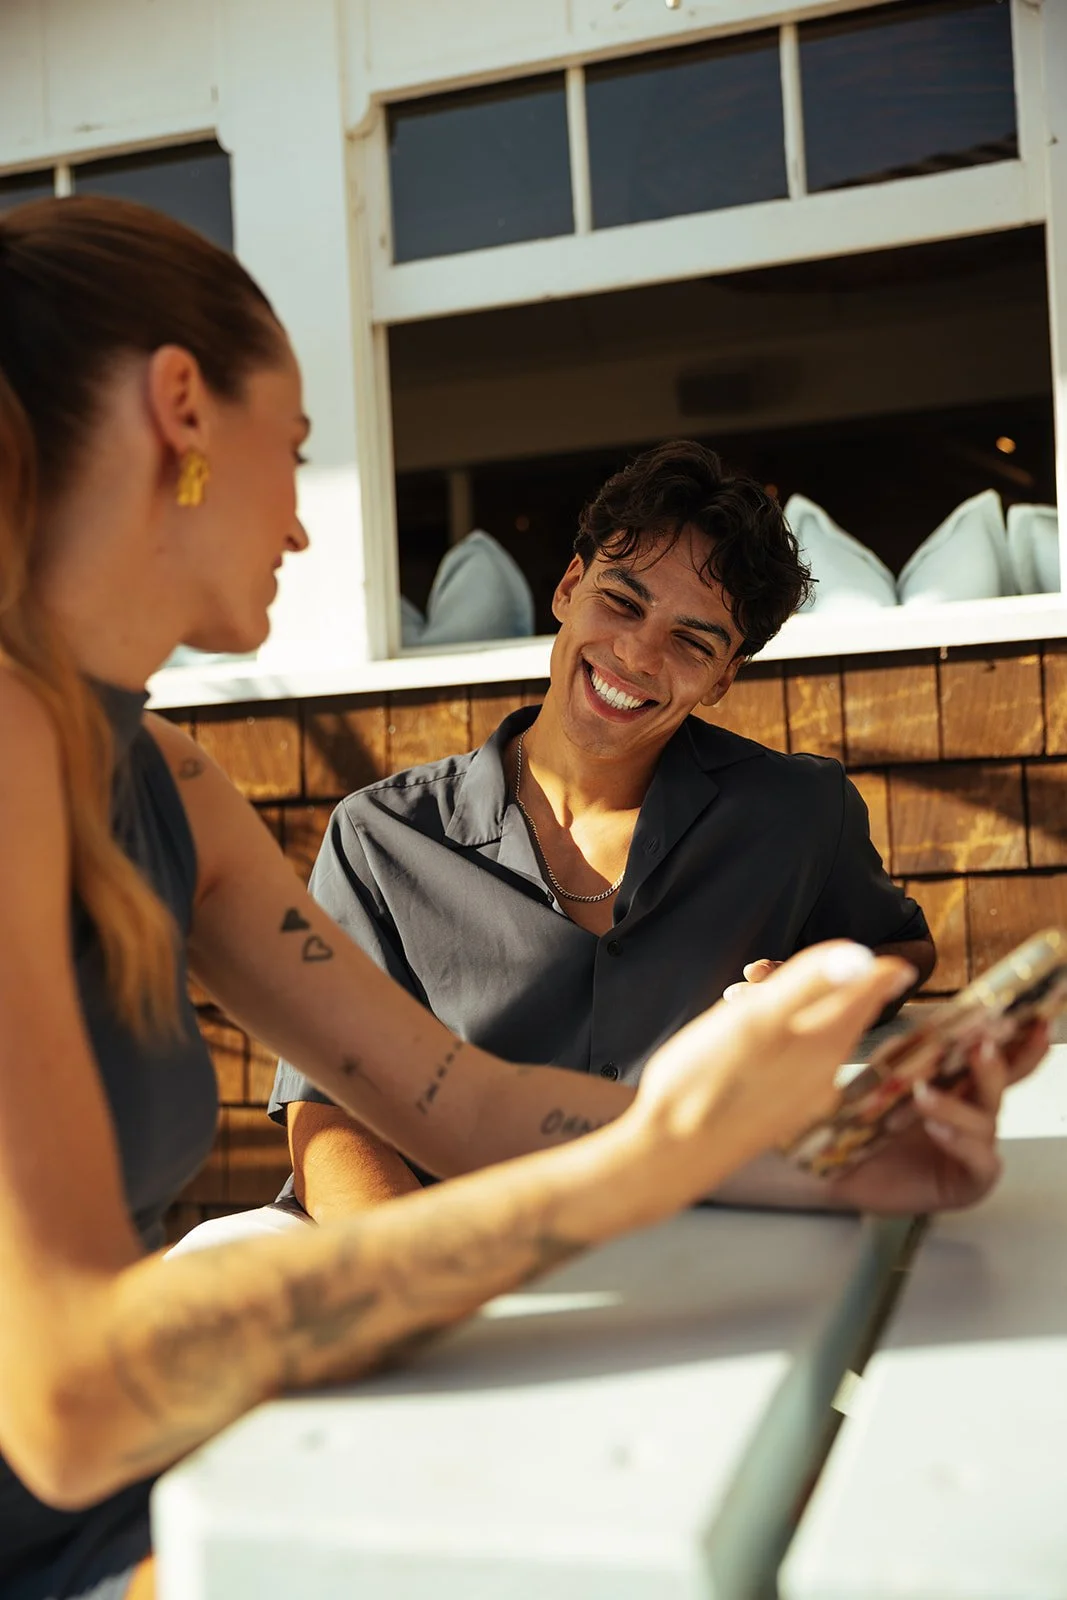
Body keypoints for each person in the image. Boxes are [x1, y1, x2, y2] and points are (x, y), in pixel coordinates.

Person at [1, 195, 1024, 1600]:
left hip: (167, 1506)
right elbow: (64, 1402)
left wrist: (842, 1160)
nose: (305, 524)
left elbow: (464, 1101)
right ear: (181, 411)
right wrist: (636, 1171)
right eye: (295, 452)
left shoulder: (163, 776)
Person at [266, 442, 936, 1223]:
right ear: (567, 586)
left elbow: (899, 951)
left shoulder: (797, 812)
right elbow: (330, 1113)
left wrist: (825, 988)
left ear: (724, 678)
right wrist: (415, 1290)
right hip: (434, 1246)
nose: (636, 654)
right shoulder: (381, 837)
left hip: (698, 1232)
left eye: (693, 641)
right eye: (621, 601)